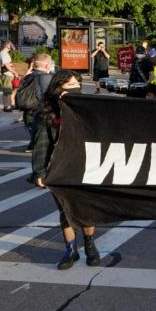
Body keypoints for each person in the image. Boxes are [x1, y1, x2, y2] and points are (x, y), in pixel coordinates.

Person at [29, 70, 101, 269]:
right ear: (57, 88)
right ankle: (71, 250)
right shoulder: (46, 111)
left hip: (86, 166)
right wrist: (39, 172)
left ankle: (90, 245)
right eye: (69, 86)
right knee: (66, 211)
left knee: (86, 209)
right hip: (59, 167)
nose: (74, 88)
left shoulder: (88, 107)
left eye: (77, 84)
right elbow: (41, 143)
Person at [17, 53, 55, 152]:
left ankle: (32, 144)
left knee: (32, 128)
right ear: (47, 65)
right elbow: (49, 94)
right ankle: (36, 145)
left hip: (27, 109)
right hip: (40, 110)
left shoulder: (27, 77)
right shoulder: (46, 77)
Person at [0, 40, 18, 112]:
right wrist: (15, 72)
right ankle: (6, 107)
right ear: (6, 45)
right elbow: (7, 66)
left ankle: (11, 105)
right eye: (10, 44)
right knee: (7, 92)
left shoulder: (5, 53)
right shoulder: (3, 53)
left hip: (9, 74)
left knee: (10, 91)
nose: (11, 45)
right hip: (7, 74)